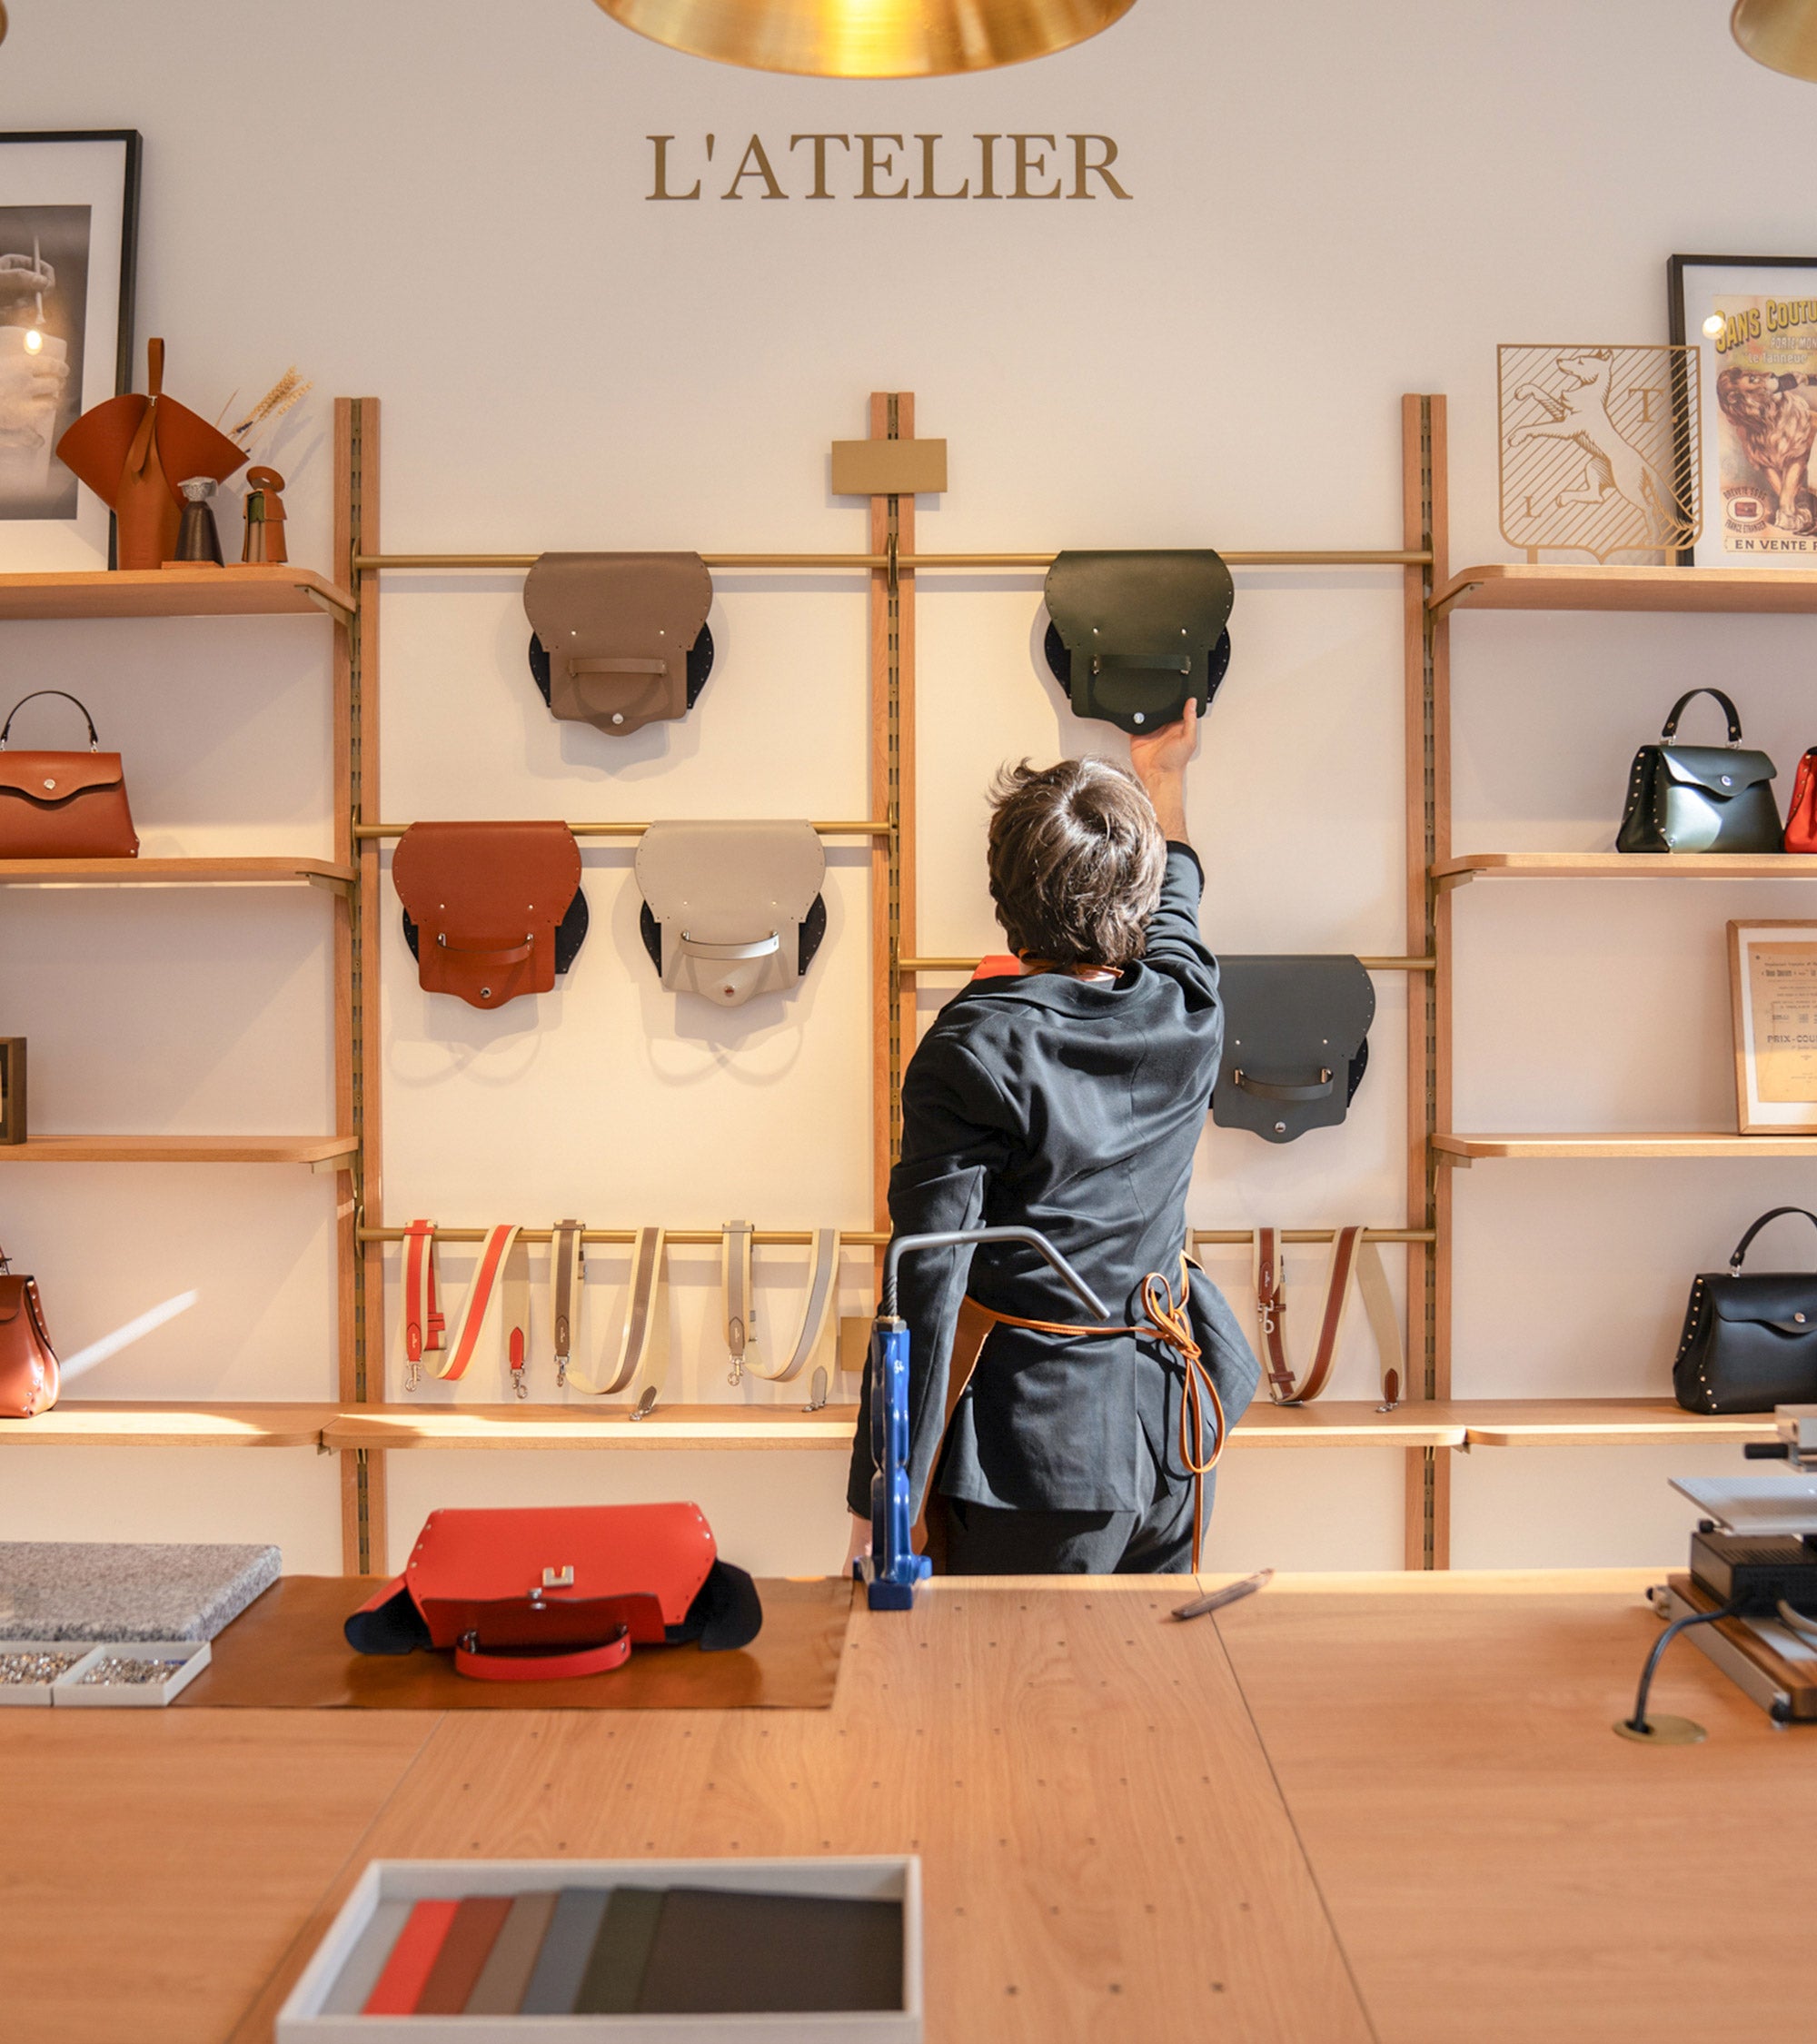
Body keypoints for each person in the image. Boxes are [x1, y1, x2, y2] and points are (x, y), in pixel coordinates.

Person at [845, 700, 1258, 1576]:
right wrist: (1164, 781)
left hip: (1032, 1465)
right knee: (1155, 1669)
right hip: (1174, 1443)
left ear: (1004, 894)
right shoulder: (1185, 1009)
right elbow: (1179, 897)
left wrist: (881, 1503)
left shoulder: (974, 1049)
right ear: (1139, 894)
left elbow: (924, 1285)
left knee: (1012, 1675)